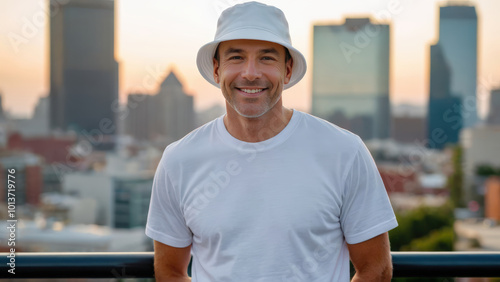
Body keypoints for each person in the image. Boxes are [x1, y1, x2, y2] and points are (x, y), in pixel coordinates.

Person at [146, 2, 398, 281]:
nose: (251, 73)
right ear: (217, 70)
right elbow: (169, 272)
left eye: (266, 58)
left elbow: (376, 270)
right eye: (236, 57)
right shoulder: (179, 159)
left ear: (288, 70)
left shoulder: (345, 151)